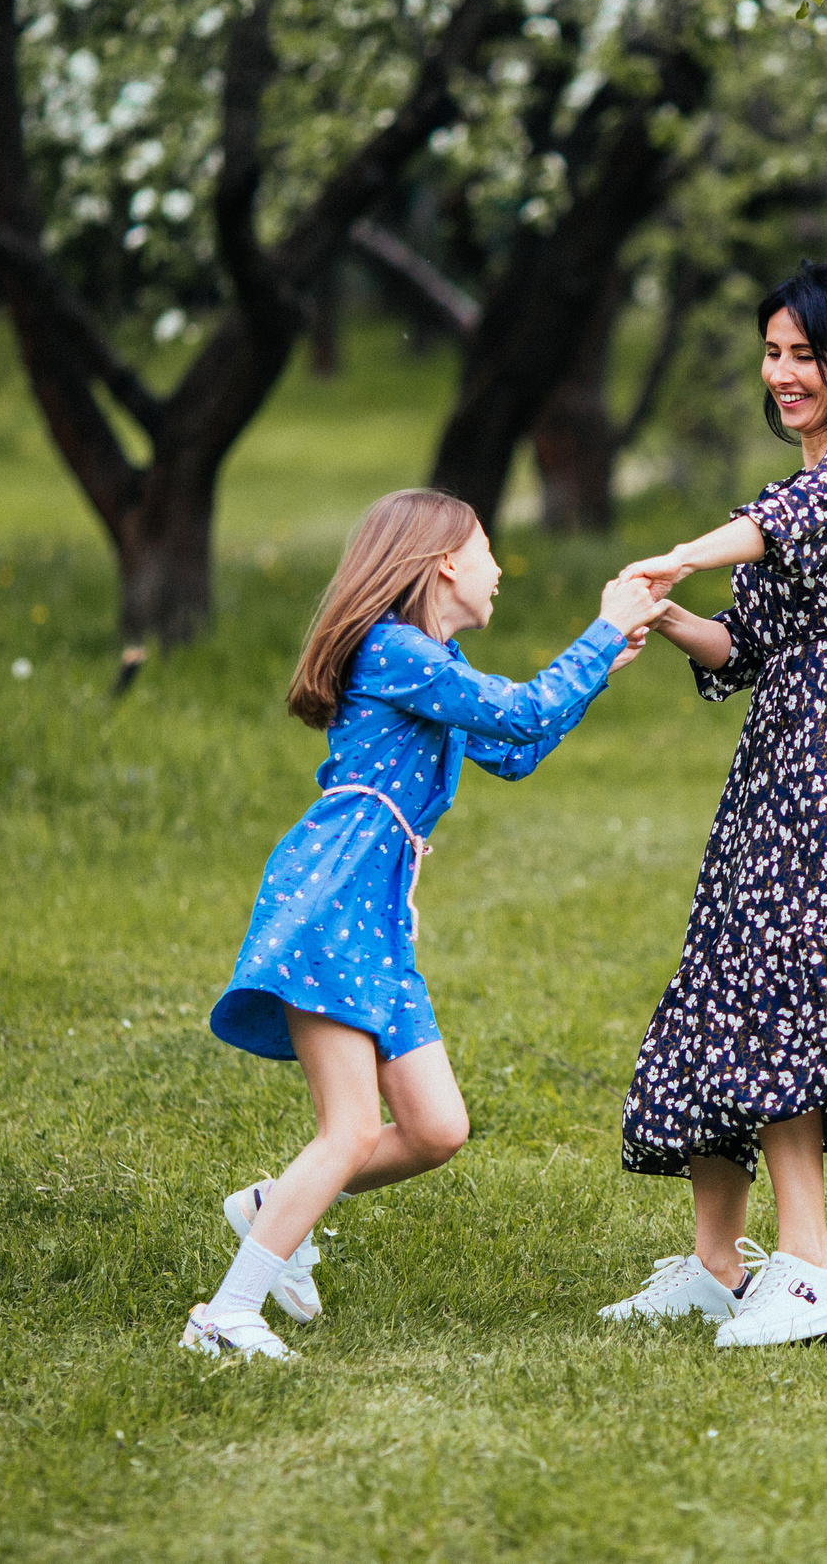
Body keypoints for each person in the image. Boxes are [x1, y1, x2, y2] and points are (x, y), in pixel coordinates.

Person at [182, 489, 667, 1361]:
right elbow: (521, 710)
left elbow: (514, 749)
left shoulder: (428, 664)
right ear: (445, 561)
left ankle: (271, 1208)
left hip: (376, 919)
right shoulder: (397, 650)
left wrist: (600, 665)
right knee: (353, 1129)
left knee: (436, 1128)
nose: (499, 568)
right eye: (488, 549)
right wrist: (595, 638)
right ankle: (224, 1315)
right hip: (334, 900)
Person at [602, 261, 827, 1348]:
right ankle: (719, 1264)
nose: (783, 374)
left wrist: (674, 551)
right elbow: (745, 646)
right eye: (772, 353)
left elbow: (779, 523)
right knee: (727, 964)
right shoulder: (813, 465)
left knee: (795, 973)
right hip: (779, 737)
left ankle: (811, 1263)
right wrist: (668, 615)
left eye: (805, 354)